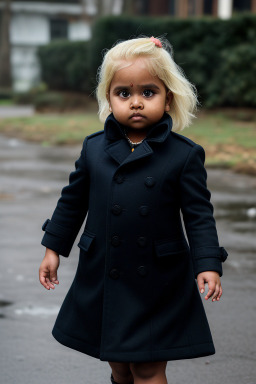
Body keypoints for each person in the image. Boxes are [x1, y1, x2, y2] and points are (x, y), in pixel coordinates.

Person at [39, 36, 228, 384]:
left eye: (148, 92)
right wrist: (53, 248)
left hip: (157, 278)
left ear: (168, 97)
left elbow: (199, 215)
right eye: (124, 93)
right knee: (119, 364)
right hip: (104, 270)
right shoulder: (94, 148)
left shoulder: (183, 154)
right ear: (109, 99)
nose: (136, 102)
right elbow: (72, 201)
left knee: (147, 366)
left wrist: (207, 264)